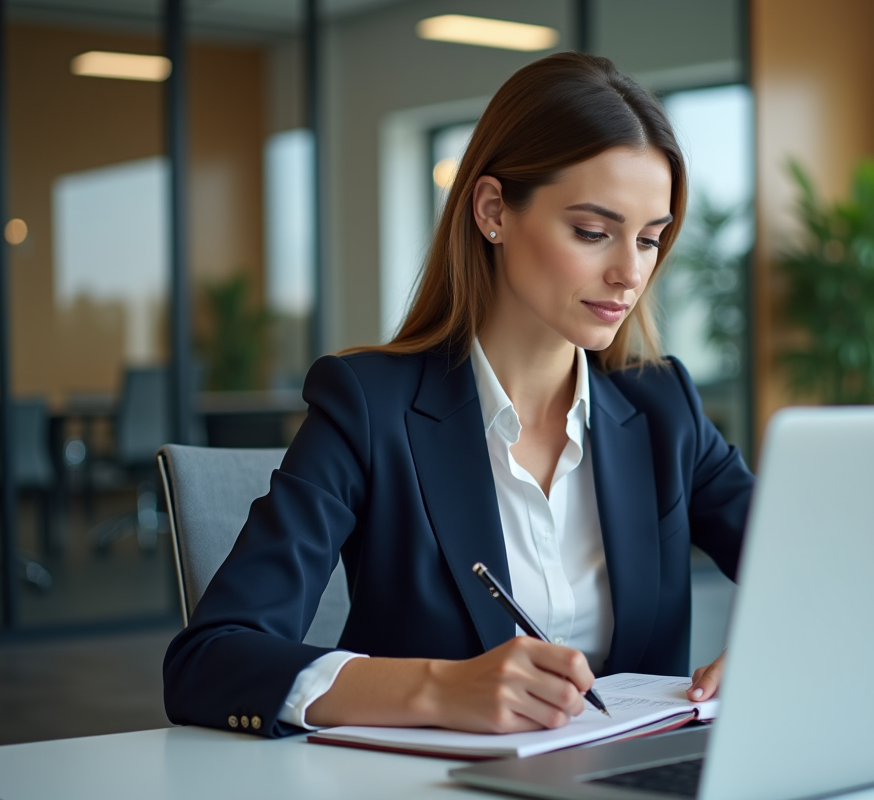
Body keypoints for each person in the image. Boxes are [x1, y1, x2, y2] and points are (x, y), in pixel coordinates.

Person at [163, 52, 753, 739]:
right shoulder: (368, 408)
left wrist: (779, 655)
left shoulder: (663, 409)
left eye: (651, 239)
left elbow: (827, 570)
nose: (630, 272)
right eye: (593, 232)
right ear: (494, 210)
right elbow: (209, 659)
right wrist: (441, 689)